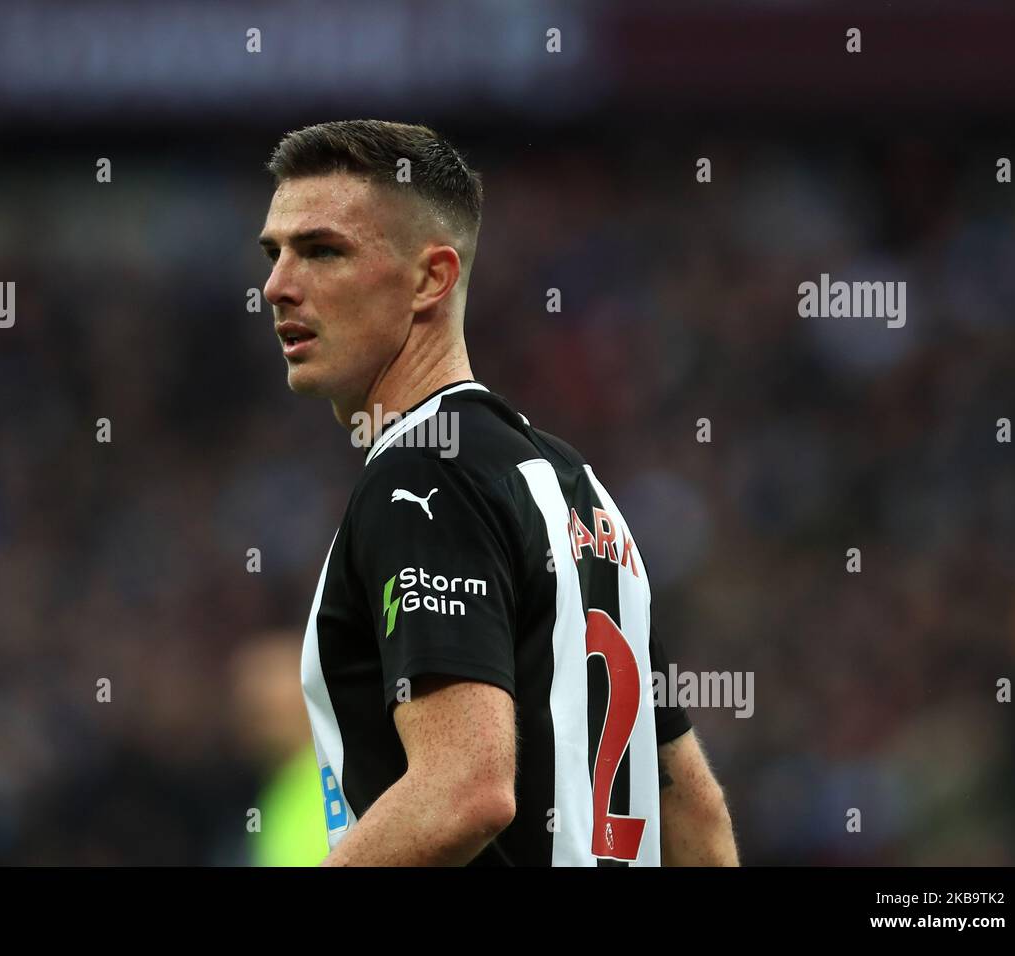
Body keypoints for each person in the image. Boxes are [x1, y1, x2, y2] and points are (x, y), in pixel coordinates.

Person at [258, 119, 738, 866]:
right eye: (275, 253)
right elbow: (693, 809)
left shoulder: (423, 473)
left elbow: (465, 791)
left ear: (431, 278)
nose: (278, 286)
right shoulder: (577, 488)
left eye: (322, 251)